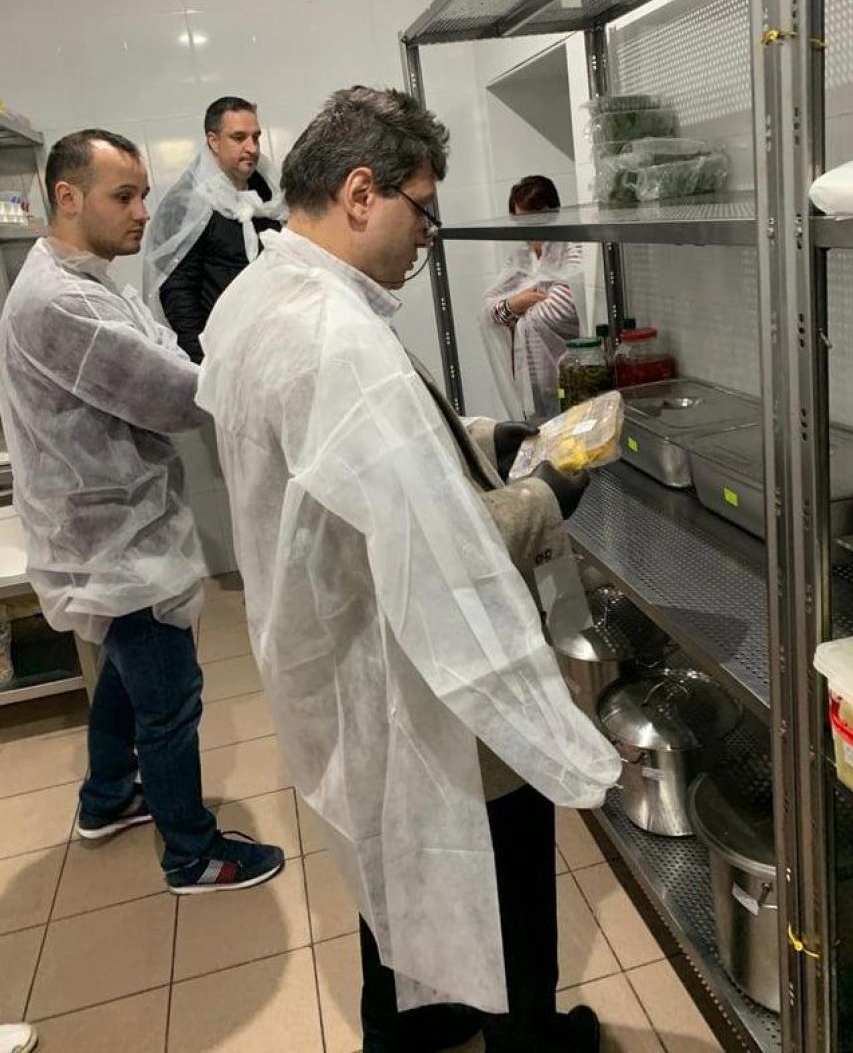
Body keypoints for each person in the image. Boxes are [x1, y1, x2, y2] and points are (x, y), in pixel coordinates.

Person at [196, 87, 621, 1053]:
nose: (427, 235)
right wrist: (548, 492)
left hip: (333, 644)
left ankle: (413, 1024)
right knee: (503, 863)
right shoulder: (335, 335)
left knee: (393, 852)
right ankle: (527, 1039)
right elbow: (439, 544)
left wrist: (482, 435)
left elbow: (360, 456)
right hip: (412, 661)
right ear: (361, 193)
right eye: (421, 209)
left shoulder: (268, 292)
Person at [0, 130, 284, 895]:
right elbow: (173, 392)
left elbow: (160, 346)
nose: (143, 212)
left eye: (142, 194)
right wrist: (264, 366)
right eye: (123, 196)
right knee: (170, 699)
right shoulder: (64, 302)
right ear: (67, 197)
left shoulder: (82, 279)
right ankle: (191, 854)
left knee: (126, 679)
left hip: (108, 533)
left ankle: (106, 800)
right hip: (114, 542)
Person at [143, 96, 286, 361]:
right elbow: (177, 289)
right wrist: (203, 360)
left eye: (255, 137)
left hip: (274, 343)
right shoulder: (188, 202)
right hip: (222, 351)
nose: (252, 148)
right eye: (239, 137)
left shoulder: (269, 192)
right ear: (213, 141)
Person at [482, 175, 585, 419]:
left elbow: (558, 310)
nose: (527, 228)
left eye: (533, 218)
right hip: (533, 381)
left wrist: (514, 311)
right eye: (520, 220)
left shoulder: (573, 249)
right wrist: (516, 303)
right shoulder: (519, 258)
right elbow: (489, 312)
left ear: (553, 213)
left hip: (572, 376)